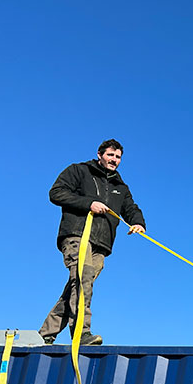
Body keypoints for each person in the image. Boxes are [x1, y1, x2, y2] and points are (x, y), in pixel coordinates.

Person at [39, 139, 146, 345]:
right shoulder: (79, 171)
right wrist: (89, 203)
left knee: (78, 286)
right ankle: (81, 333)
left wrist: (138, 223)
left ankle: (45, 334)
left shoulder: (120, 186)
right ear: (100, 155)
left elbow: (131, 208)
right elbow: (56, 193)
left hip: (102, 244)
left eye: (118, 157)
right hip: (78, 234)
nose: (114, 160)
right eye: (110, 155)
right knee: (83, 280)